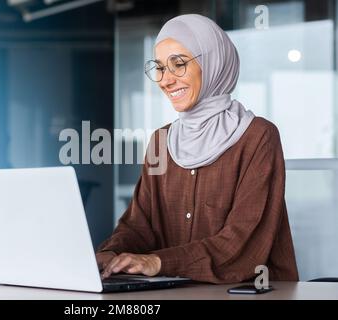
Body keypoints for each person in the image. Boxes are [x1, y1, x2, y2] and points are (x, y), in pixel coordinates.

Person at [96, 14, 299, 284]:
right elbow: (139, 227)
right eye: (159, 68)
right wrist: (110, 254)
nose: (165, 81)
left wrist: (158, 262)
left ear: (212, 63)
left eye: (178, 64)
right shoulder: (162, 141)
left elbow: (243, 242)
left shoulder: (257, 136)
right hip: (178, 292)